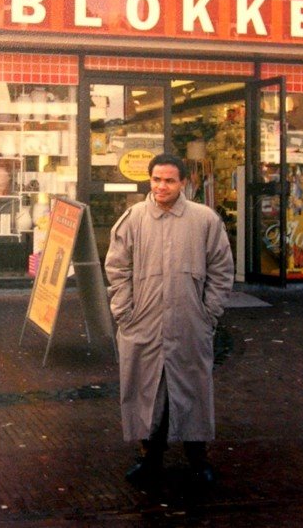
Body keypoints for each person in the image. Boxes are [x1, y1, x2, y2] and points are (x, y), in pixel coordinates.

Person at [104, 153, 234, 487]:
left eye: (169, 180)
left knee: (193, 388)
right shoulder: (133, 219)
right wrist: (125, 312)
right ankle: (149, 458)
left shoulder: (204, 220)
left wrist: (209, 313)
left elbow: (221, 269)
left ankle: (198, 459)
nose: (162, 187)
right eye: (156, 180)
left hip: (189, 323)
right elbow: (116, 268)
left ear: (184, 182)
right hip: (141, 323)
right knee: (144, 391)